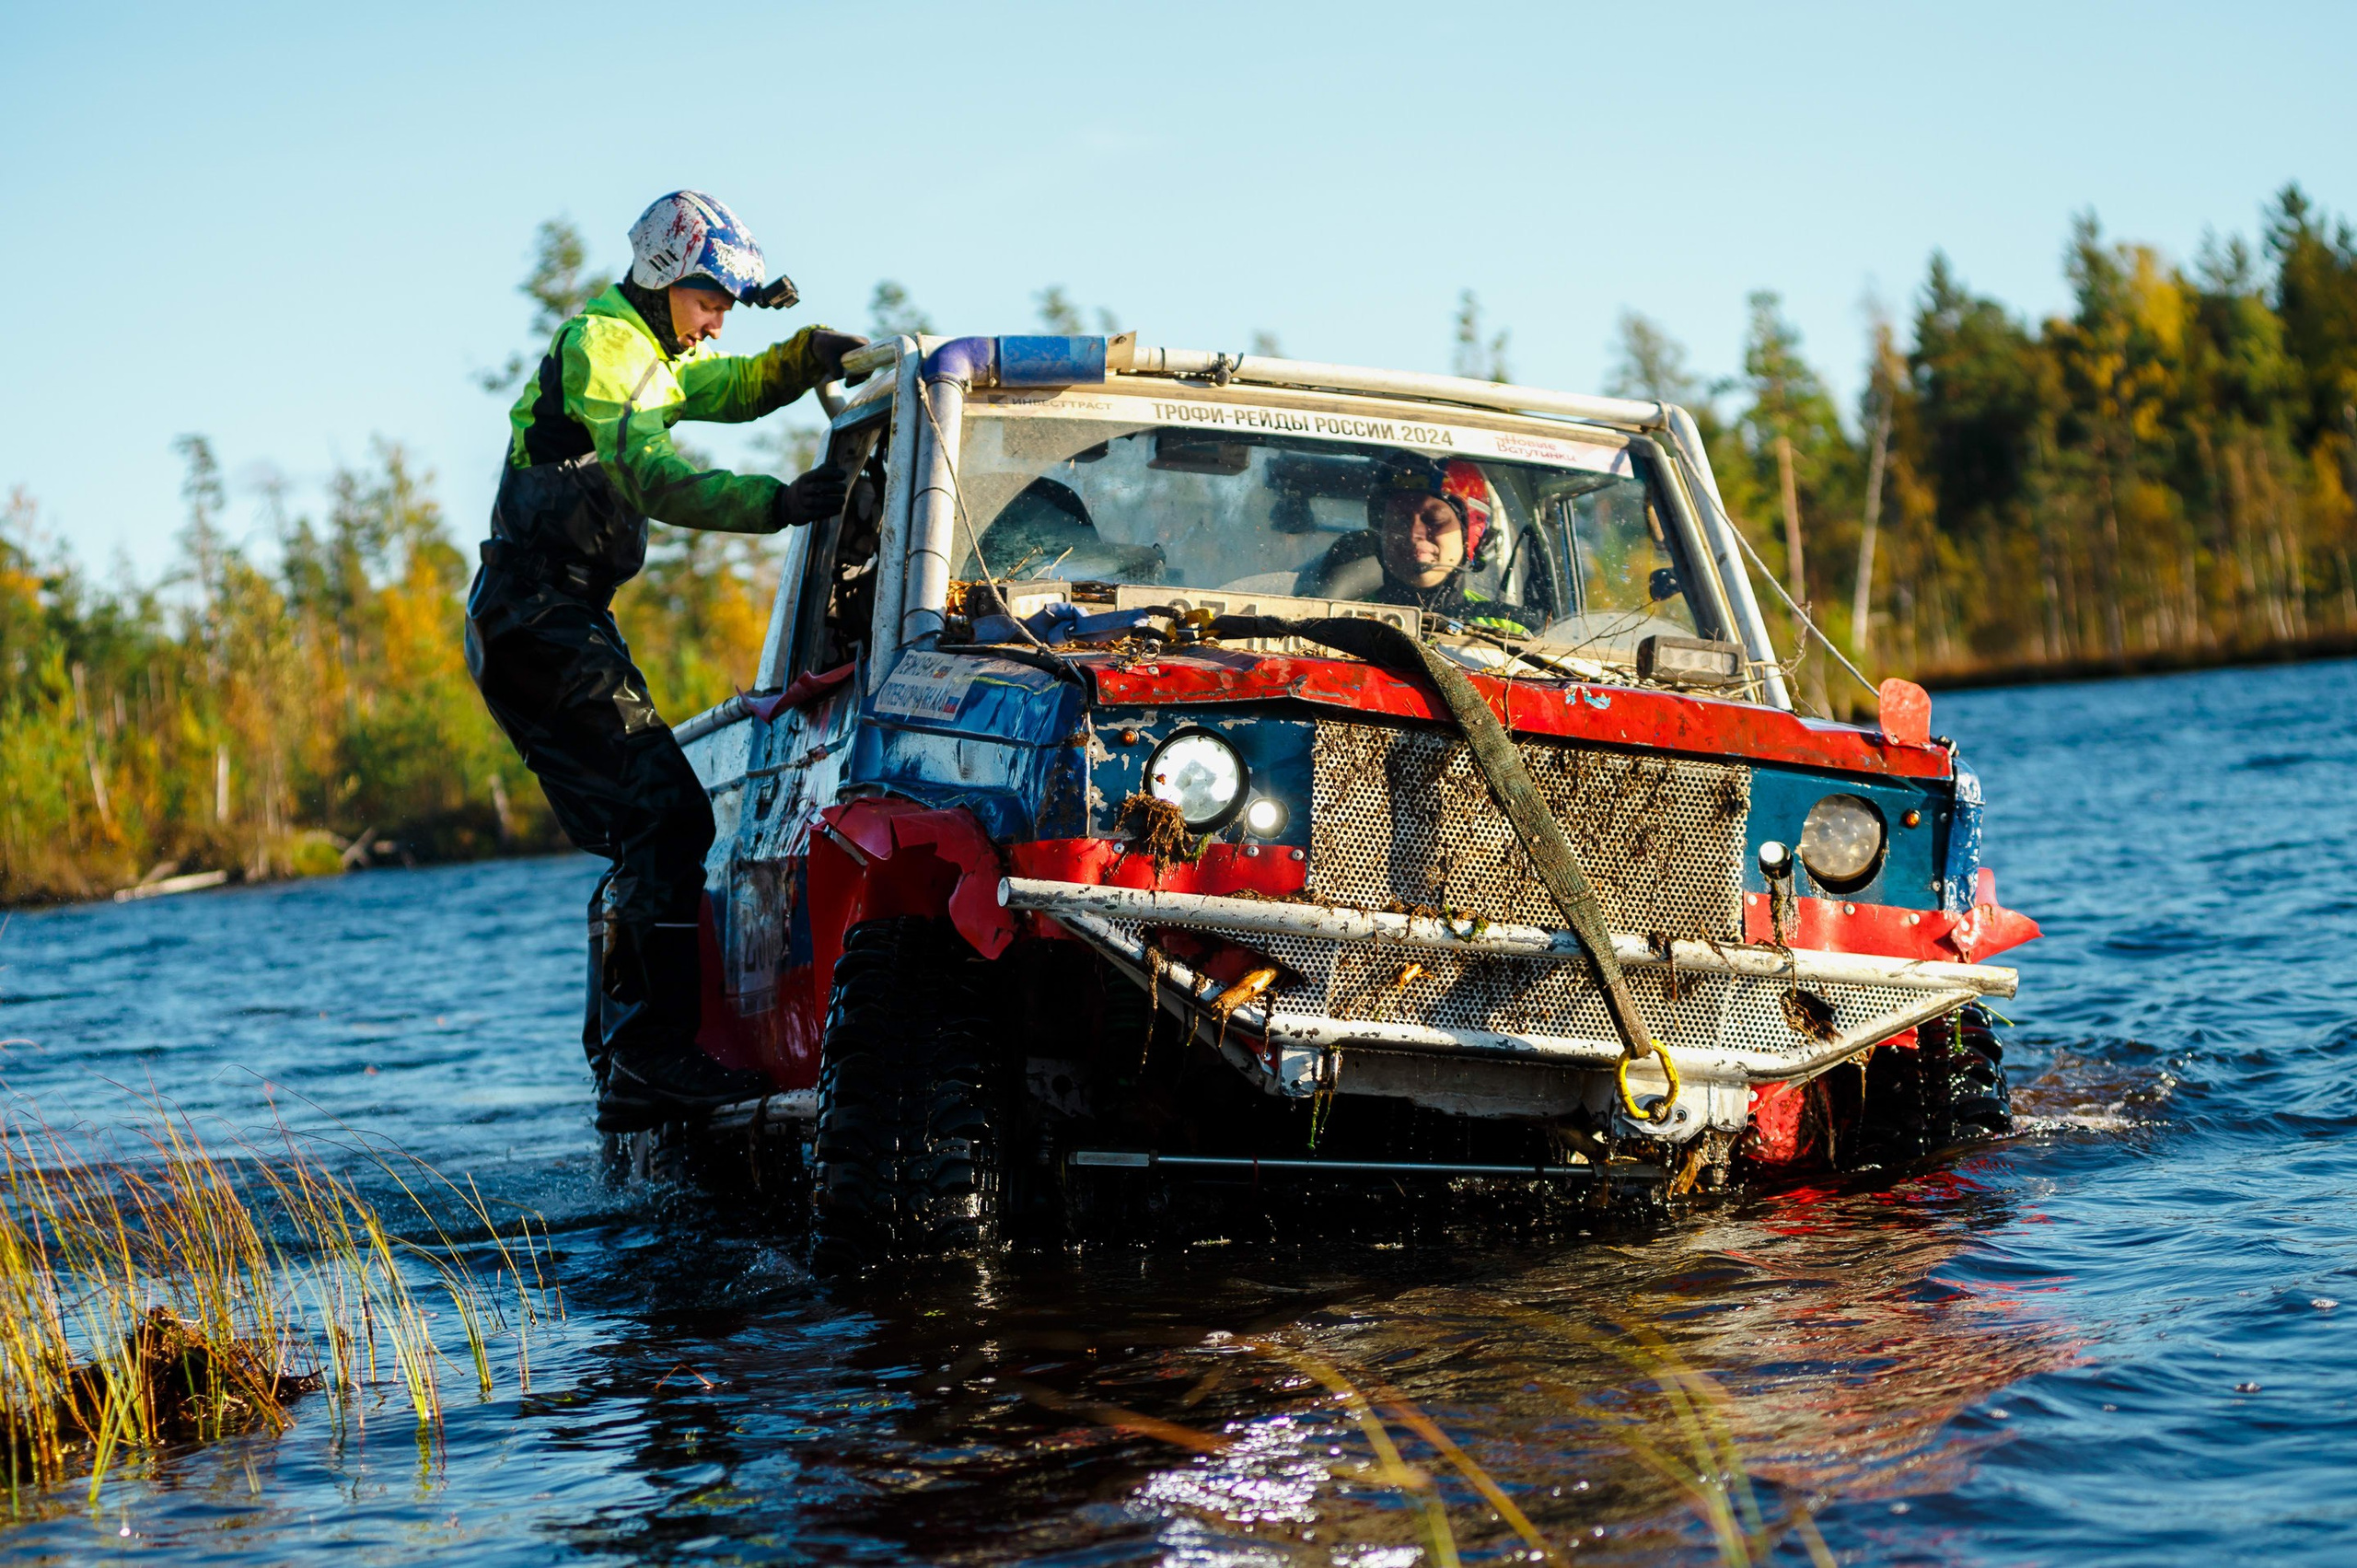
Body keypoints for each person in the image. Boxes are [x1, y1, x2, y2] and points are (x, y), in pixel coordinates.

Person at [465, 191, 866, 1132]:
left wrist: (800, 358)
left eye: (728, 301)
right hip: (537, 615)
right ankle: (649, 1055)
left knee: (641, 826)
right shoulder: (601, 345)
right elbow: (646, 467)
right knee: (664, 814)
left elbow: (719, 390)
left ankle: (622, 1057)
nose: (718, 318)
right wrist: (776, 501)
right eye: (706, 298)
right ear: (658, 277)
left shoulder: (647, 353)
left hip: (552, 616)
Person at [1306, 456, 1537, 633]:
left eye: (1433, 520)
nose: (1414, 533)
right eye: (1399, 520)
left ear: (1472, 535)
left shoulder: (1508, 628)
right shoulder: (1341, 622)